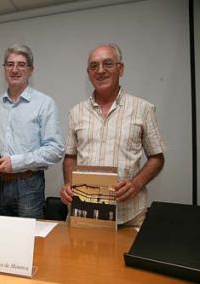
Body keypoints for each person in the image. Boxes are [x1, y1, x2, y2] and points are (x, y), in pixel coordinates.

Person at [60, 44, 165, 226]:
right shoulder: (75, 112)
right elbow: (70, 157)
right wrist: (69, 184)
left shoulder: (143, 109)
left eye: (107, 64)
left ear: (120, 68)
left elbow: (157, 157)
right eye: (94, 66)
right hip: (85, 213)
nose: (100, 71)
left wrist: (136, 184)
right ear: (88, 73)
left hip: (129, 215)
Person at [0, 44, 64, 218]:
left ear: (31, 70)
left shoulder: (45, 103)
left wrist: (16, 162)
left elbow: (55, 150)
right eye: (10, 64)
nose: (14, 69)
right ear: (4, 69)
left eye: (21, 64)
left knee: (29, 241)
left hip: (29, 185)